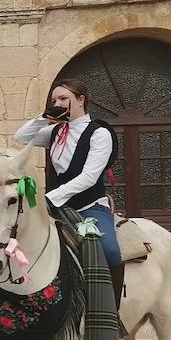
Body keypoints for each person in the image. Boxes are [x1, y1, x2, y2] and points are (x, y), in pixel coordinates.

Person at [15, 77, 124, 320]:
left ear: (81, 100)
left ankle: (112, 311)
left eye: (64, 99)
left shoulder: (99, 133)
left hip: (89, 207)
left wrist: (51, 198)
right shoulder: (54, 132)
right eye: (55, 99)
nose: (59, 103)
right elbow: (21, 137)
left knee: (110, 250)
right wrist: (45, 116)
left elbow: (89, 176)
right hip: (55, 208)